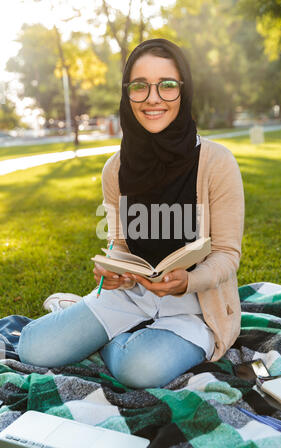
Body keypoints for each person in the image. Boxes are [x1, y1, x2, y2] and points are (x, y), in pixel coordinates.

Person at [18, 39, 244, 389]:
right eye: (140, 86)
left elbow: (228, 254)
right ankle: (88, 317)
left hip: (194, 307)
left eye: (167, 85)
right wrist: (112, 268)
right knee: (32, 347)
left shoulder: (217, 162)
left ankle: (97, 336)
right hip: (129, 297)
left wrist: (189, 280)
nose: (153, 98)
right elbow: (120, 243)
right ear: (128, 95)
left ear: (184, 91)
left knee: (139, 371)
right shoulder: (115, 169)